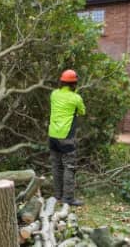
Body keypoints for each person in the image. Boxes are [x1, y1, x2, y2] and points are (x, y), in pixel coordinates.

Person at [48, 69, 86, 206]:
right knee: (69, 167)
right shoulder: (76, 98)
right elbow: (82, 111)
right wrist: (74, 95)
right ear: (74, 84)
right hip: (66, 137)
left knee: (56, 166)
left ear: (61, 81)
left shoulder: (54, 94)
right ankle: (68, 199)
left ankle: (58, 195)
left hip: (52, 136)